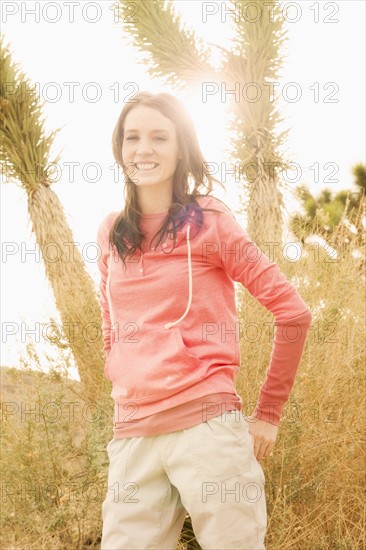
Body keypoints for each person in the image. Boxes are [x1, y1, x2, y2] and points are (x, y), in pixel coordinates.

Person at [96, 91, 312, 550]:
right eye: (132, 137)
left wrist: (268, 416)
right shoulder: (111, 232)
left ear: (180, 148)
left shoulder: (209, 220)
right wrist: (122, 374)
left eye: (159, 137)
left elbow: (293, 313)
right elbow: (110, 326)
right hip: (134, 437)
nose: (144, 149)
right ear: (119, 147)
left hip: (208, 432)